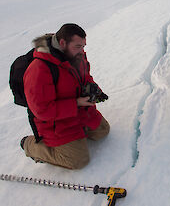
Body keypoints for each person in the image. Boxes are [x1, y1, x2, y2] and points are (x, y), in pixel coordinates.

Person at [21, 23, 110, 169]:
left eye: (83, 46)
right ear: (62, 43)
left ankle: (78, 135)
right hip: (55, 123)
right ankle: (30, 145)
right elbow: (43, 110)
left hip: (79, 112)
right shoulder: (39, 70)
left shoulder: (76, 53)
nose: (82, 51)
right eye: (78, 46)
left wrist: (94, 90)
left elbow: (85, 76)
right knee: (78, 160)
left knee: (102, 131)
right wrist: (76, 103)